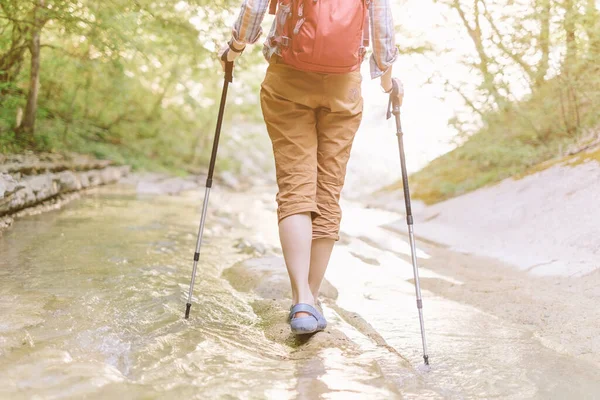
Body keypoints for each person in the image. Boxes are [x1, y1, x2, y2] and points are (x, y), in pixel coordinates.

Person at [220, 0, 403, 335]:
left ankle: (301, 299)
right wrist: (389, 82)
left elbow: (254, 6)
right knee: (328, 191)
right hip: (343, 84)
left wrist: (234, 49)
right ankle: (311, 300)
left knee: (296, 186)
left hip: (288, 78)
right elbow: (381, 25)